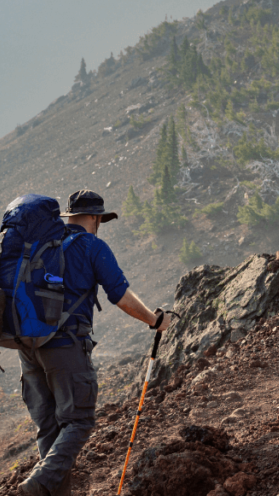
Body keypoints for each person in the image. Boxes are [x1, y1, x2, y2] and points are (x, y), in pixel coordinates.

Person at [17, 190, 169, 496]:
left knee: (50, 428)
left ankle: (48, 490)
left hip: (27, 347)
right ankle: (40, 483)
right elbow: (122, 298)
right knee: (79, 422)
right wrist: (155, 320)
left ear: (69, 216)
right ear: (97, 218)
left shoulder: (40, 246)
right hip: (66, 346)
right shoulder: (92, 246)